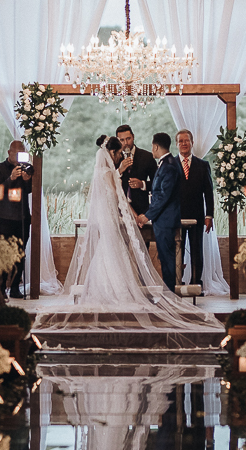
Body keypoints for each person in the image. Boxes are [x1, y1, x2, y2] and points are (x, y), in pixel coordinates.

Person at [33, 139, 222, 341]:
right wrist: (136, 215)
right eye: (118, 154)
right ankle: (116, 293)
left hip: (110, 221)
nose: (119, 157)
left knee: (106, 256)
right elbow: (121, 198)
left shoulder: (103, 173)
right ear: (112, 153)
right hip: (111, 222)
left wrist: (140, 213)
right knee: (113, 255)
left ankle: (107, 291)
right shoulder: (109, 174)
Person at [138, 133, 182, 292]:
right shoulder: (166, 163)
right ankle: (168, 293)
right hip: (162, 220)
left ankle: (169, 294)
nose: (152, 149)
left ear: (156, 146)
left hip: (166, 220)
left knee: (167, 259)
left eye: (152, 146)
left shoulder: (169, 166)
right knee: (164, 258)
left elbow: (164, 196)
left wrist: (147, 215)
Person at [0, 140, 34, 297]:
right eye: (16, 153)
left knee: (20, 253)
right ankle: (2, 288)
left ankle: (15, 287)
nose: (18, 157)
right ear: (9, 153)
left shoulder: (26, 168)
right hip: (6, 217)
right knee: (5, 253)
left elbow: (29, 191)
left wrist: (27, 180)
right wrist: (11, 178)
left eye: (21, 154)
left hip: (23, 216)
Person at [175, 130, 214, 287]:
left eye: (186, 141)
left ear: (192, 143)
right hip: (176, 216)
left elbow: (209, 193)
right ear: (176, 144)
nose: (184, 144)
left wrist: (209, 216)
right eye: (181, 141)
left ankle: (196, 283)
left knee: (197, 251)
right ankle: (177, 282)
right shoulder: (170, 164)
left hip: (197, 216)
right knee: (177, 251)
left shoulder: (203, 165)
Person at [115, 124, 158, 218]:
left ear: (133, 137)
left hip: (142, 210)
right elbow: (108, 182)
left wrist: (142, 184)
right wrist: (119, 170)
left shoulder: (147, 157)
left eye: (128, 138)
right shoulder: (113, 158)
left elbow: (158, 183)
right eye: (122, 140)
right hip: (119, 211)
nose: (126, 143)